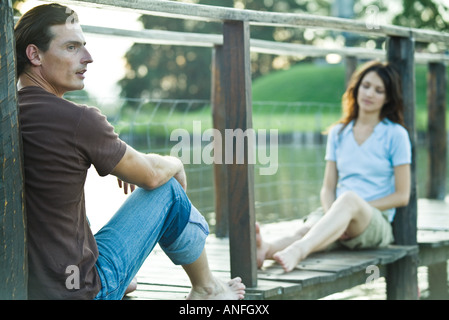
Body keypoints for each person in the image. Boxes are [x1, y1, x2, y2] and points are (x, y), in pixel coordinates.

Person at [15, 3, 245, 300]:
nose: (88, 58)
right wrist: (174, 162)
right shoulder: (77, 119)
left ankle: (118, 274)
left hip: (27, 286)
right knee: (168, 190)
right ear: (34, 54)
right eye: (72, 47)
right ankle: (207, 288)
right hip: (78, 291)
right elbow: (150, 176)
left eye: (84, 46)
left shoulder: (11, 115)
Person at [256, 60, 412, 273]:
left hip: (374, 220)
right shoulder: (338, 133)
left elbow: (402, 196)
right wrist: (336, 218)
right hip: (338, 211)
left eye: (379, 90)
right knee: (306, 230)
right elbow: (327, 188)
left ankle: (299, 251)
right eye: (365, 86)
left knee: (348, 199)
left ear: (387, 98)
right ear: (356, 88)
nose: (369, 94)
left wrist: (352, 211)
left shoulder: (396, 134)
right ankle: (265, 250)